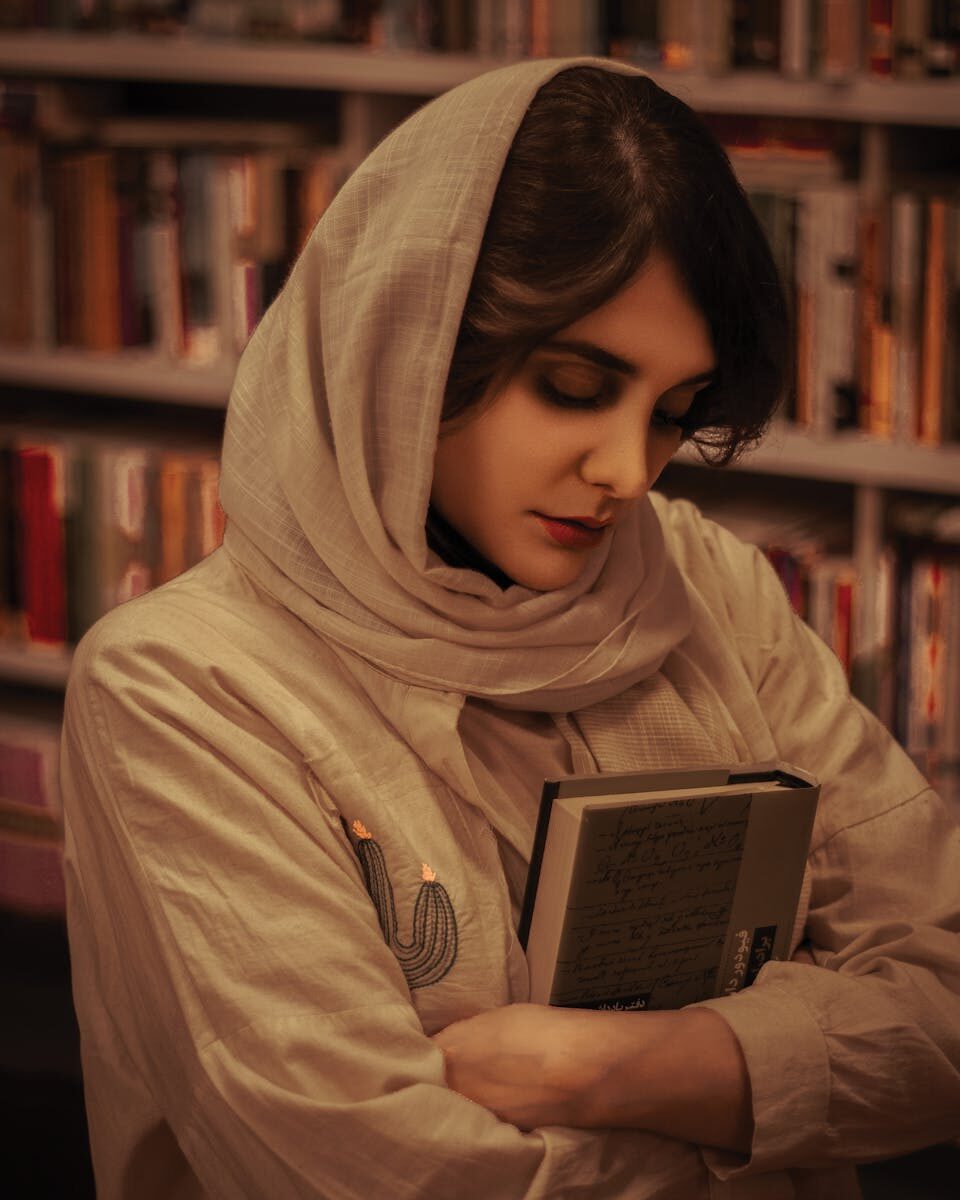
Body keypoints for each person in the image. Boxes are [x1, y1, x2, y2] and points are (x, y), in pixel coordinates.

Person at [60, 56, 960, 1200]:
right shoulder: (181, 688)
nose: (627, 470)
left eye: (676, 415)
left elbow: (946, 987)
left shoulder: (705, 581)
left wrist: (623, 1070)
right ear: (409, 348)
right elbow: (381, 1173)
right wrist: (788, 1104)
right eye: (577, 387)